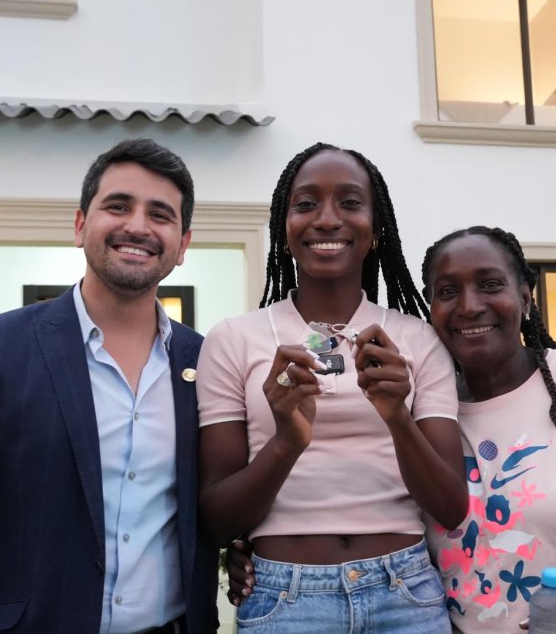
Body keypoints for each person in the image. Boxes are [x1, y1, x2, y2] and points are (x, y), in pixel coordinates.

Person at [229, 225, 556, 633]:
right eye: (447, 291)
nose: (469, 306)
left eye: (490, 285)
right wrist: (253, 551)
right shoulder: (425, 410)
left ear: (524, 294)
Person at [0, 138, 219, 634]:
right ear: (79, 225)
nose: (137, 225)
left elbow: (217, 505)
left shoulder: (207, 362)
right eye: (118, 206)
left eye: (160, 214)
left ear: (182, 245)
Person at [197, 143, 468, 633]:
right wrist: (286, 443)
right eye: (305, 204)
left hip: (405, 594)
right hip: (285, 597)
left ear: (376, 228)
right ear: (284, 229)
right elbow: (217, 521)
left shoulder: (415, 338)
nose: (326, 219)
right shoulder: (233, 340)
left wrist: (397, 417)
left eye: (349, 202)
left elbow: (451, 507)